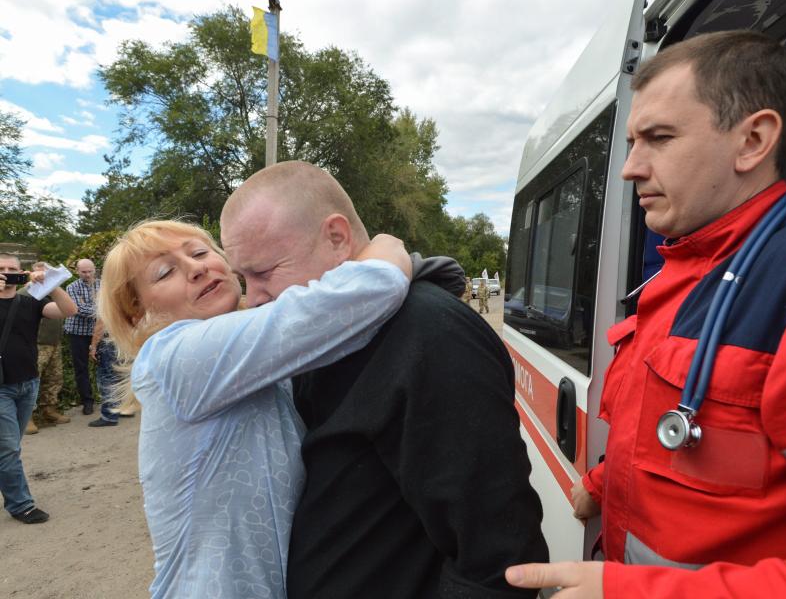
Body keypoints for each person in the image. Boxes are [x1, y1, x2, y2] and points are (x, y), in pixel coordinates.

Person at [506, 30, 786, 598]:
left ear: (753, 141)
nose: (629, 168)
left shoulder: (784, 285)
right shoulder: (681, 269)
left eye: (658, 138)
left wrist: (634, 593)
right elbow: (677, 432)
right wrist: (601, 481)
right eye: (632, 142)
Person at [220, 160, 549, 598]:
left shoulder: (430, 335)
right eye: (243, 278)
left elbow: (497, 556)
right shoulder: (322, 339)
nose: (254, 298)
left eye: (262, 274)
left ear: (336, 238)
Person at [97, 220, 412, 599]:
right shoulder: (173, 356)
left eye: (199, 252)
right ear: (137, 311)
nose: (196, 268)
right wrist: (387, 246)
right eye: (165, 272)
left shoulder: (254, 363)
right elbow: (359, 295)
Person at [0, 253, 77, 524]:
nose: (7, 272)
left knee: (10, 447)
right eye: (2, 269)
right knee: (8, 448)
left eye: (13, 269)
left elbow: (69, 311)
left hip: (28, 382)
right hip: (1, 389)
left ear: (22, 272)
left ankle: (12, 488)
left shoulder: (29, 299)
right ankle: (21, 505)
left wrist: (51, 284)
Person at [20, 262, 71, 434]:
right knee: (33, 380)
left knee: (54, 378)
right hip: (38, 343)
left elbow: (68, 309)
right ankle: (27, 417)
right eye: (40, 271)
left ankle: (49, 410)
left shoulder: (52, 291)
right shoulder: (26, 292)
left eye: (46, 271)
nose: (43, 274)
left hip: (54, 342)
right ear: (32, 272)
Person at [64, 258, 100, 415]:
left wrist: (101, 309)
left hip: (99, 332)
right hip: (77, 332)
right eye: (83, 272)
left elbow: (110, 305)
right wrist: (101, 311)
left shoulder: (103, 285)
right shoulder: (71, 287)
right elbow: (78, 309)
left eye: (90, 271)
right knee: (81, 368)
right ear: (77, 271)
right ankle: (87, 401)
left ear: (94, 269)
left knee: (106, 365)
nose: (87, 274)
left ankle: (111, 399)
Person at [87, 319, 122, 428]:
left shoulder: (106, 302)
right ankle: (119, 409)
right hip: (122, 340)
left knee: (107, 379)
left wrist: (93, 346)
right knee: (119, 376)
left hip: (109, 341)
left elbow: (101, 324)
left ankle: (109, 416)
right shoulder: (125, 301)